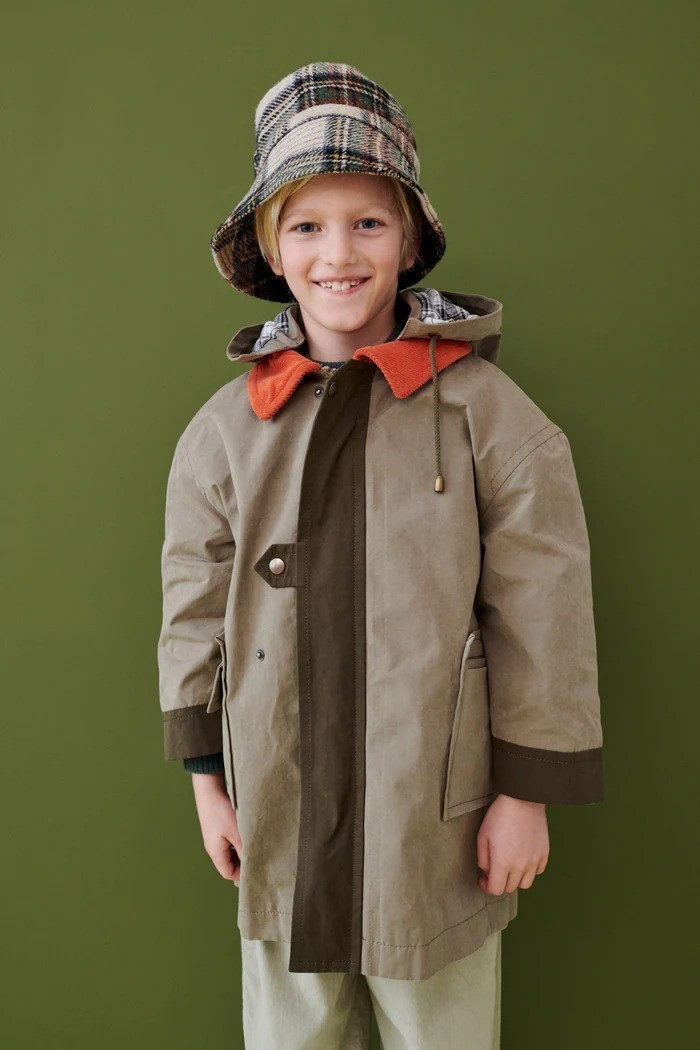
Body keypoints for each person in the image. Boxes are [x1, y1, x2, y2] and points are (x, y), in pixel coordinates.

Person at [157, 61, 605, 1049]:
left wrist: (525, 794)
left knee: (441, 1030)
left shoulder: (487, 414)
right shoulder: (226, 430)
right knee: (293, 1031)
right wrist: (206, 779)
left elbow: (545, 605)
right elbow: (194, 600)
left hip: (435, 824)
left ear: (408, 238)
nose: (338, 254)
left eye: (367, 222)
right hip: (278, 810)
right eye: (307, 226)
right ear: (270, 247)